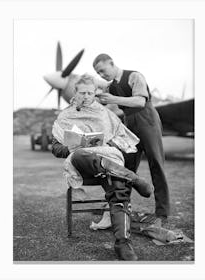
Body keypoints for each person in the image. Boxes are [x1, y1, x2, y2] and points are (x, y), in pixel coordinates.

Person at [51, 74, 153, 261]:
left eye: (90, 92)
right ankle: (133, 177)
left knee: (118, 185)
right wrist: (70, 147)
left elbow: (123, 141)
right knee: (82, 154)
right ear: (75, 92)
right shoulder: (65, 116)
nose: (86, 96)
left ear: (95, 92)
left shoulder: (105, 113)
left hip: (107, 162)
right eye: (82, 92)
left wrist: (110, 146)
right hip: (81, 165)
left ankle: (123, 242)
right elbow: (55, 148)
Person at [93, 54, 170, 221]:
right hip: (128, 123)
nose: (101, 75)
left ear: (111, 63)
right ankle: (120, 207)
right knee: (126, 167)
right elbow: (100, 99)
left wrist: (113, 99)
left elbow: (140, 102)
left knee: (156, 163)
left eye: (103, 70)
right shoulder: (110, 86)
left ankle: (162, 212)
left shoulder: (134, 76)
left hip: (146, 118)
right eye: (98, 73)